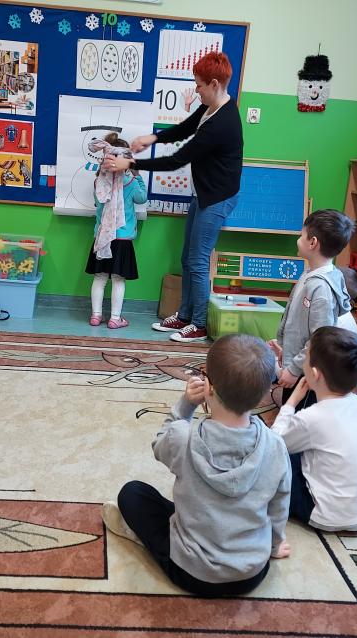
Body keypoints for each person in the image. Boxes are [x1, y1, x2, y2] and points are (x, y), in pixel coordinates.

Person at [102, 334, 291, 596]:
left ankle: (146, 542)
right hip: (251, 573)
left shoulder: (183, 435)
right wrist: (274, 545)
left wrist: (185, 406)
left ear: (208, 386)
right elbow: (279, 505)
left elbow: (159, 445)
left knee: (132, 493)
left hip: (191, 573)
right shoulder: (276, 446)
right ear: (263, 395)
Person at [104, 52, 243, 343]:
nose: (196, 90)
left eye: (199, 85)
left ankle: (199, 324)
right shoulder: (210, 108)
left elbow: (176, 160)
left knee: (199, 261)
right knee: (188, 257)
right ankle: (186, 315)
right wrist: (152, 138)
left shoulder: (222, 122)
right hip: (204, 193)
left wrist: (129, 163)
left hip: (217, 198)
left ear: (214, 84)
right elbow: (184, 129)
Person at [271, 327, 357, 531]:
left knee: (276, 456)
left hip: (320, 514)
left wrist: (291, 403)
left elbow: (274, 444)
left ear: (314, 374)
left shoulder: (312, 417)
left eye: (305, 355)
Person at [269, 210, 355, 400]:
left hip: (307, 371)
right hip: (300, 361)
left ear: (313, 242)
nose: (298, 240)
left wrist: (294, 369)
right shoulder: (311, 272)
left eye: (302, 235)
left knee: (297, 411)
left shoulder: (321, 289)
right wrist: (285, 347)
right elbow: (300, 323)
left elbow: (319, 340)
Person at [86, 133, 147, 329]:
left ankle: (96, 316)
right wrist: (137, 175)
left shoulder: (99, 181)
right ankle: (115, 318)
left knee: (100, 278)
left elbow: (97, 202)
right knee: (118, 280)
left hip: (102, 237)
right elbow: (142, 198)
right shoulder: (130, 181)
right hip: (122, 239)